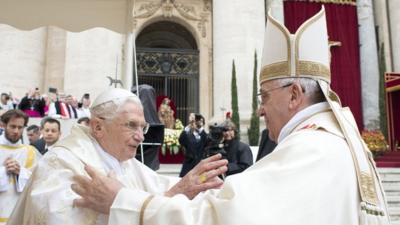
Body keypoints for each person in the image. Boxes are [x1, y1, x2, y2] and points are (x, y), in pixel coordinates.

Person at [70, 8, 391, 225]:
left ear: (294, 95)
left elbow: (222, 217)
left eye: (264, 96)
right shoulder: (329, 140)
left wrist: (121, 201)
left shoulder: (312, 148)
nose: (261, 109)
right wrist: (180, 190)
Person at [7, 88, 227, 225]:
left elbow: (160, 191)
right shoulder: (61, 163)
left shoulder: (126, 161)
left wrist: (184, 187)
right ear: (98, 127)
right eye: (131, 125)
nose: (141, 137)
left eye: (143, 127)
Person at [0, 110, 38, 225]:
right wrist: (4, 170)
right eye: (12, 126)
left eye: (20, 127)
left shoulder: (30, 151)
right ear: (3, 125)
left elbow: (37, 182)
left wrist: (20, 172)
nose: (16, 131)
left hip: (18, 211)